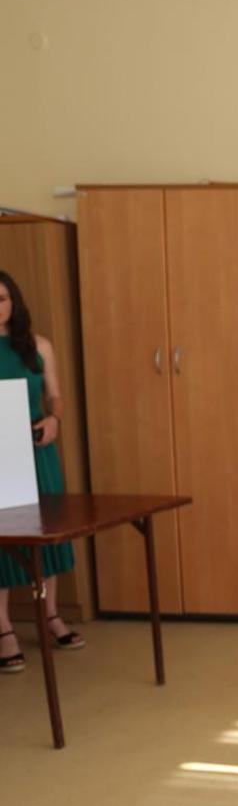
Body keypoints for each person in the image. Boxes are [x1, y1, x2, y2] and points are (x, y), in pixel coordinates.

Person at [0, 269, 85, 673]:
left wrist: (55, 422)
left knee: (48, 531)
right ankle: (3, 629)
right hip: (1, 457)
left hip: (38, 452)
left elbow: (56, 396)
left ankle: (50, 614)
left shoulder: (37, 346)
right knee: (4, 540)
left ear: (13, 301)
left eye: (1, 297)